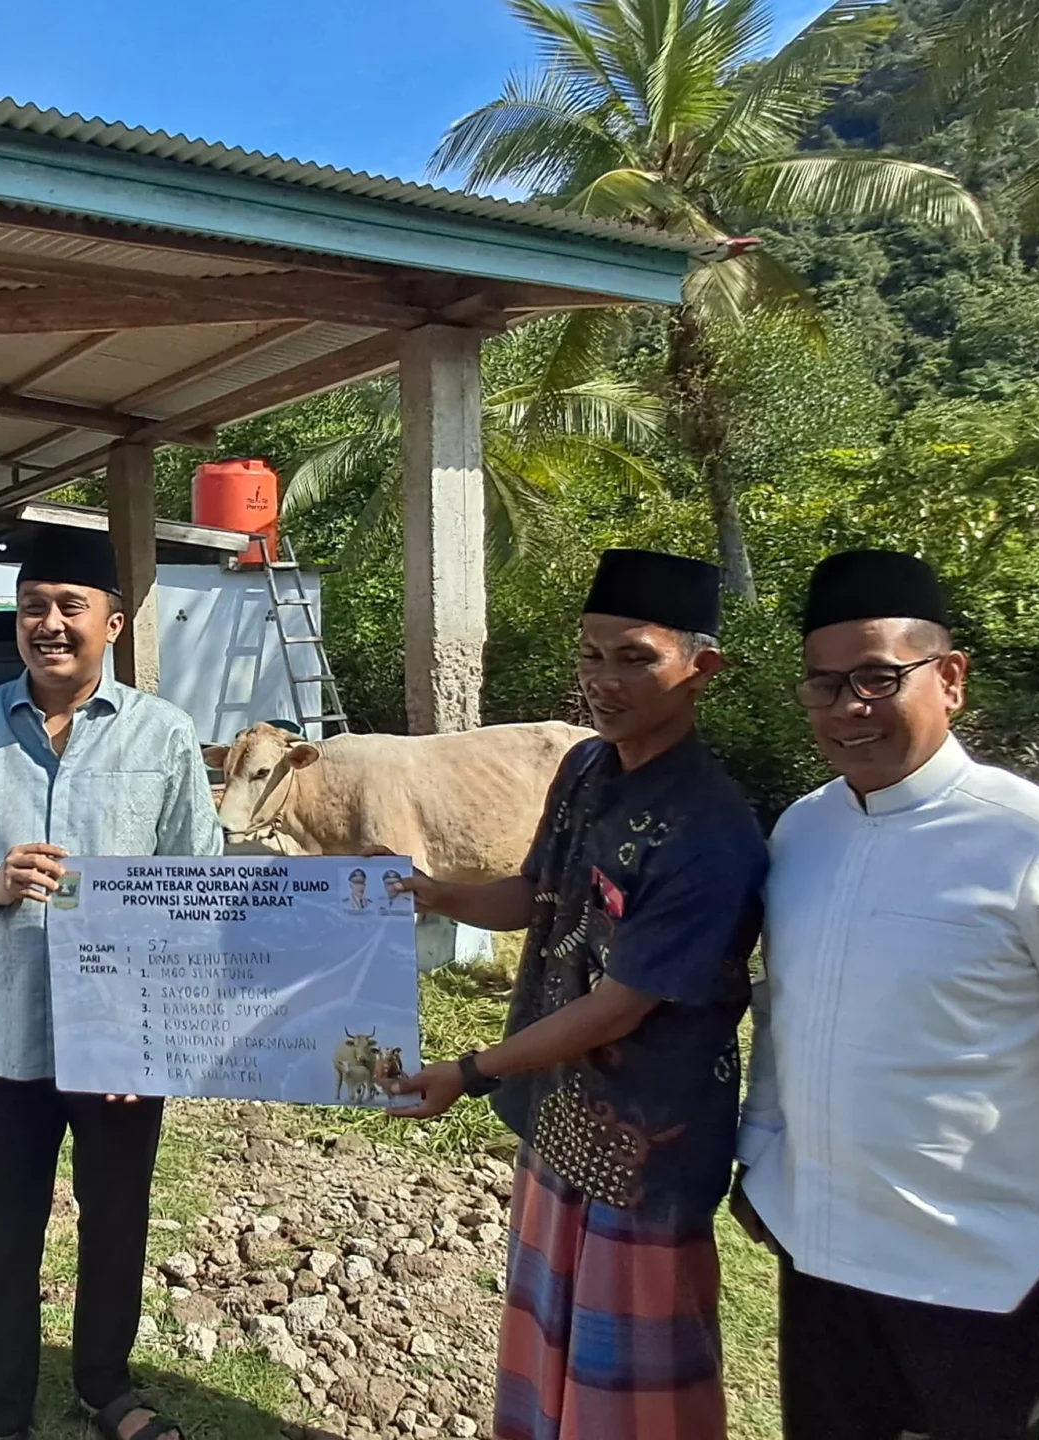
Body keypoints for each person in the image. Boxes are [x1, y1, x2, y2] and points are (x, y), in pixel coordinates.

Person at [734, 550, 1039, 1440]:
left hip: (987, 1287)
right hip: (825, 1270)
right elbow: (784, 1015)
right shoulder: (804, 830)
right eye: (824, 684)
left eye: (878, 677)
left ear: (951, 678)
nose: (848, 707)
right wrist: (765, 1156)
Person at [387, 548, 768, 1440]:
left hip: (646, 1143)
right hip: (560, 1113)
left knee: (629, 1378)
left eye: (635, 658)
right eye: (592, 655)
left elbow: (622, 1003)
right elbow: (536, 895)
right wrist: (434, 892)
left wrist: (470, 1069)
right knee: (549, 1337)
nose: (604, 680)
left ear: (702, 668)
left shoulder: (709, 830)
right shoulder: (588, 769)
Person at [0, 526, 221, 1440]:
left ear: (111, 622)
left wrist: (156, 1029)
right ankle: (2, 1405)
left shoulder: (163, 733)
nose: (49, 623)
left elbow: (197, 878)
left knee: (116, 1219)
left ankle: (105, 1385)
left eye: (71, 606)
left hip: (121, 1037)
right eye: (33, 606)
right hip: (4, 1033)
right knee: (5, 1231)